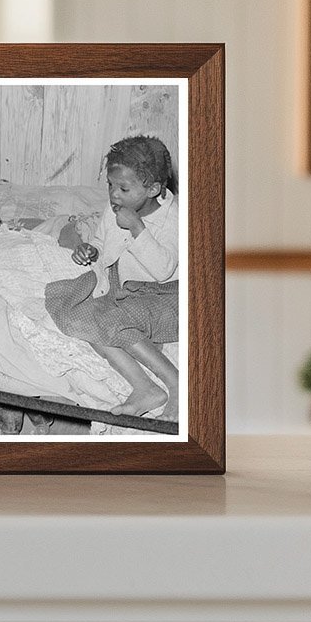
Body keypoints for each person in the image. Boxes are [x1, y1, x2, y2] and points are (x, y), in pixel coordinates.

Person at [45, 135, 179, 420]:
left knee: (110, 319)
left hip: (168, 296)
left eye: (123, 188)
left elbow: (163, 269)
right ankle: (145, 388)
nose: (114, 195)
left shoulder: (176, 218)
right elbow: (104, 244)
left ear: (154, 189)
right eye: (110, 185)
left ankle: (176, 382)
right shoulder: (114, 208)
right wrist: (90, 250)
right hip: (125, 288)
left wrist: (138, 228)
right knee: (77, 316)